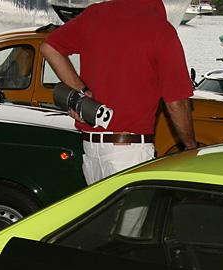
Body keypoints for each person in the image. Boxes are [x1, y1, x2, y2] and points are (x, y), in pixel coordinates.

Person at [41, 0, 198, 185]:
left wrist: (82, 92)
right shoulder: (160, 30)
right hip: (129, 153)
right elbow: (176, 104)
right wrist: (191, 147)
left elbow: (48, 47)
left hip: (91, 150)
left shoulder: (94, 14)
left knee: (101, 213)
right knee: (134, 215)